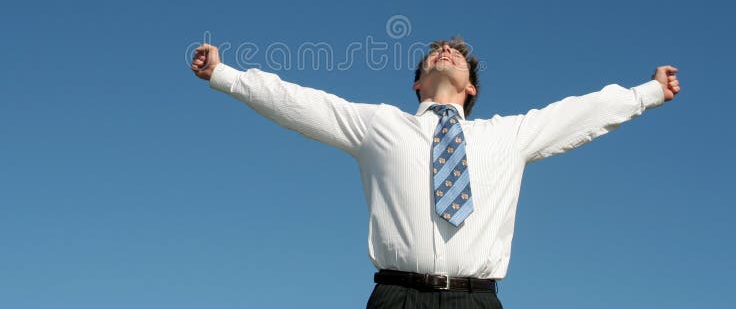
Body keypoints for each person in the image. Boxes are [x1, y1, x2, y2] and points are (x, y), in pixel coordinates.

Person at [190, 36, 681, 308]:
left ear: (471, 88)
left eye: (460, 54)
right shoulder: (379, 125)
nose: (447, 50)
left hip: (477, 302)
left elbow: (581, 112)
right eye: (436, 51)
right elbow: (300, 102)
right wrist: (226, 75)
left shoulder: (508, 135)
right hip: (396, 297)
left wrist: (648, 92)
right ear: (418, 80)